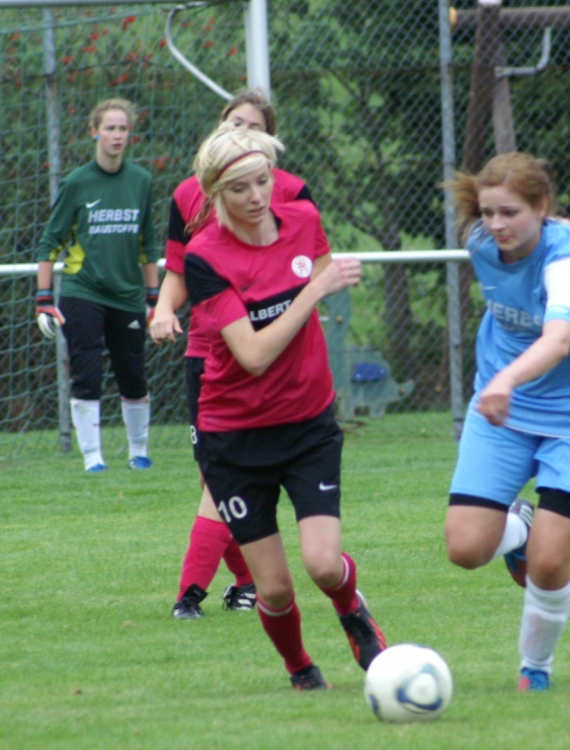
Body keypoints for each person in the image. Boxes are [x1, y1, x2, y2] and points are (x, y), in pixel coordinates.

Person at [183, 123, 387, 690]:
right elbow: (252, 354)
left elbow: (319, 275)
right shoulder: (205, 257)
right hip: (234, 437)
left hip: (306, 425)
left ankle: (352, 610)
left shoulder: (303, 220)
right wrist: (314, 290)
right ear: (216, 193)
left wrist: (319, 285)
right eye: (239, 188)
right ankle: (301, 669)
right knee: (273, 589)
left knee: (323, 564)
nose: (256, 197)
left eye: (263, 181)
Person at [442, 152, 570, 692]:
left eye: (510, 213)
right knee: (465, 549)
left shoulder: (569, 262)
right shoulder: (480, 240)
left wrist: (505, 380)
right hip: (506, 409)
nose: (496, 225)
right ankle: (520, 527)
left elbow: (559, 341)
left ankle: (535, 668)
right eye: (488, 212)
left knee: (548, 565)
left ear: (540, 206)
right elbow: (544, 225)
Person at [150, 90, 313, 620]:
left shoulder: (291, 194)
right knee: (216, 479)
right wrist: (163, 309)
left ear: (270, 145)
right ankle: (242, 584)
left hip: (275, 359)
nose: (240, 134)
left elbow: (308, 267)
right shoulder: (188, 194)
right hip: (209, 354)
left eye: (253, 128)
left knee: (228, 481)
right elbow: (178, 270)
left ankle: (197, 593)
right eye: (233, 123)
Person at [35, 98, 158, 472]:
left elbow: (147, 244)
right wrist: (43, 298)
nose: (117, 135)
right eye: (109, 128)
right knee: (86, 374)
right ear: (94, 132)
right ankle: (93, 458)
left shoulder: (141, 181)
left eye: (123, 128)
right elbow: (50, 242)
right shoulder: (77, 182)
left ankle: (138, 452)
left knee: (133, 375)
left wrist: (154, 298)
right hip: (82, 292)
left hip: (128, 295)